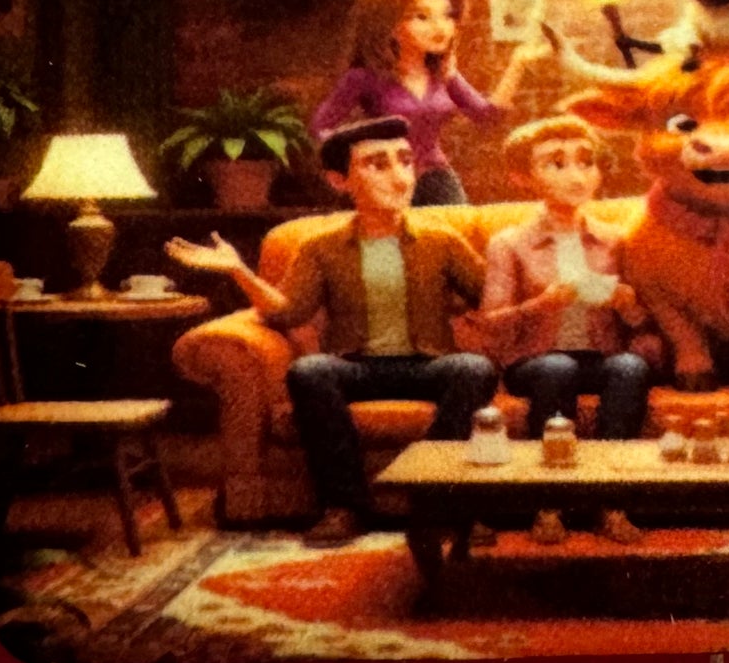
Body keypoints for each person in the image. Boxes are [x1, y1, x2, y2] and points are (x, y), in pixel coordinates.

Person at [166, 117, 495, 546]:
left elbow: (492, 295)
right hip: (356, 368)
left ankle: (438, 498)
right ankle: (345, 506)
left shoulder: (442, 240)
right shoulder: (321, 247)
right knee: (310, 372)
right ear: (340, 181)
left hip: (429, 366)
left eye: (405, 161)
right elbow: (289, 312)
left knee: (473, 369)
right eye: (378, 164)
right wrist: (238, 271)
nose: (400, 177)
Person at [451, 114, 652, 547]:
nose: (576, 176)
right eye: (556, 164)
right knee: (557, 368)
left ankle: (611, 503)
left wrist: (628, 304)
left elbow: (640, 325)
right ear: (524, 177)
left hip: (598, 356)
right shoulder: (509, 243)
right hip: (534, 361)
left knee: (630, 367)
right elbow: (492, 323)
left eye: (586, 162)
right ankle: (549, 504)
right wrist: (545, 303)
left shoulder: (614, 239)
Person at [312, 0, 548, 206]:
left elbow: (487, 116)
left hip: (436, 176)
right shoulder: (363, 77)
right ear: (388, 24)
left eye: (447, 16)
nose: (440, 27)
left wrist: (518, 63)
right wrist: (359, 159)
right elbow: (321, 127)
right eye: (422, 17)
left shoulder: (444, 74)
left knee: (454, 227)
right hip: (387, 181)